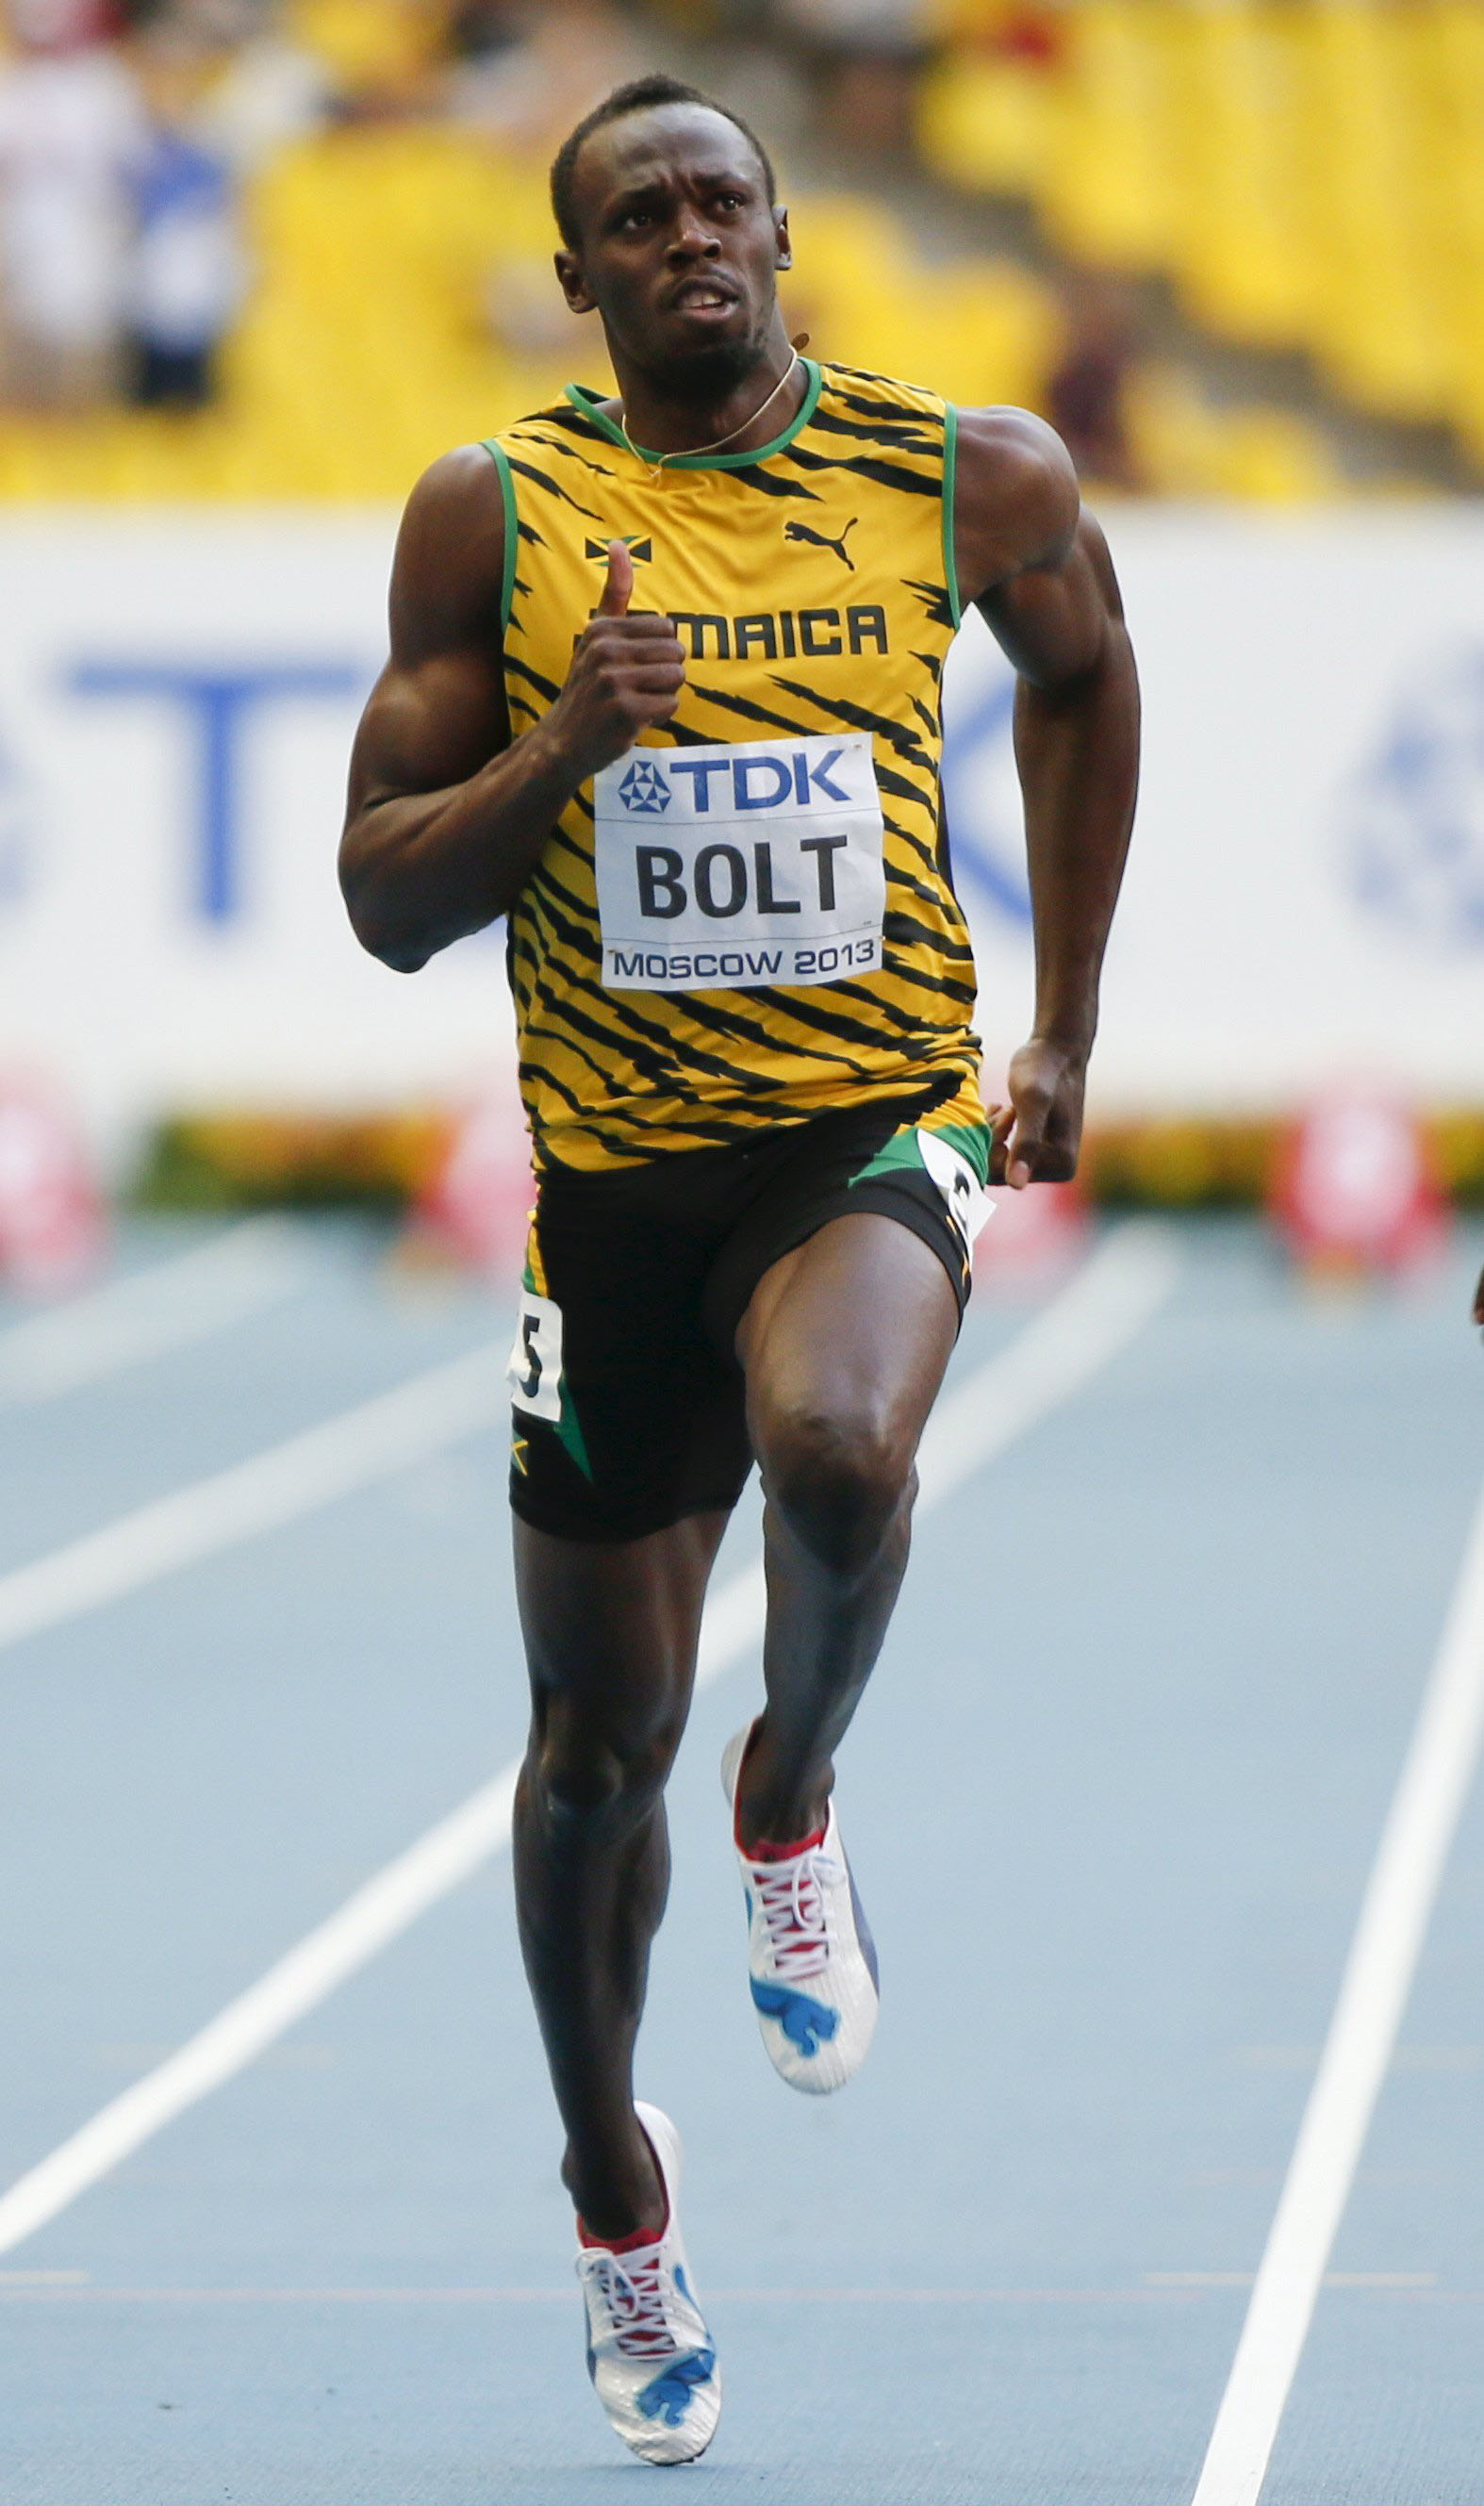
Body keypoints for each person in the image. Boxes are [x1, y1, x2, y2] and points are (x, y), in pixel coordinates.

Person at [339, 71, 1139, 2465]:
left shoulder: (959, 474)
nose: (690, 236)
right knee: (591, 1762)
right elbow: (386, 898)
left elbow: (1085, 678)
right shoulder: (492, 519)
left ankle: (794, 1795)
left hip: (864, 1129)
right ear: (574, 278)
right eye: (636, 216)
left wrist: (1070, 1021)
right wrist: (567, 744)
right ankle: (617, 2198)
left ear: (784, 240)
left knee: (838, 1446)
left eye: (724, 201)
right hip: (614, 1191)